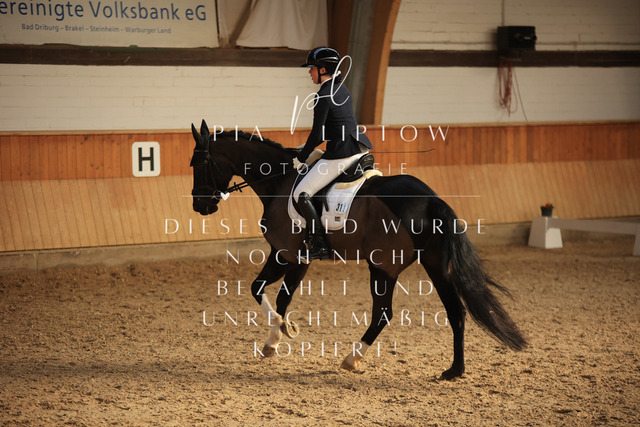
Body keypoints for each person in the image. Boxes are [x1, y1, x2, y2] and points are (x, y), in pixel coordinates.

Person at [293, 46, 373, 260]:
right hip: (358, 148)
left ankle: (319, 244)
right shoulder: (341, 88)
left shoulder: (323, 95)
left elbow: (318, 133)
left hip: (341, 154)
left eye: (312, 68)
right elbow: (336, 126)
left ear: (323, 69)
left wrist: (301, 157)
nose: (309, 72)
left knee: (301, 193)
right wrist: (308, 146)